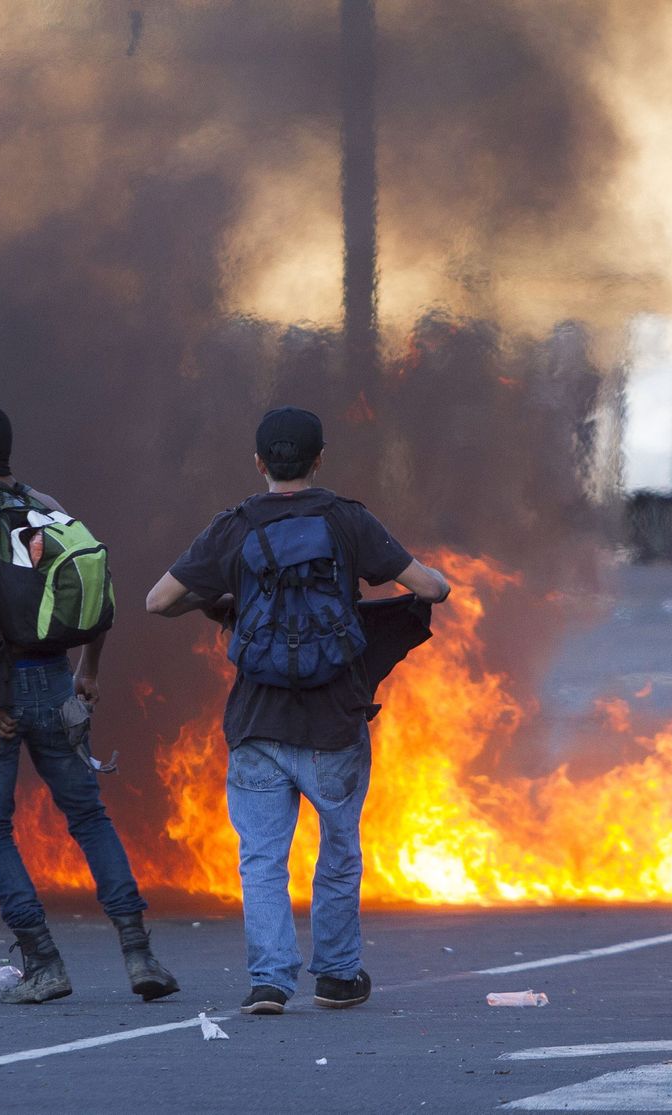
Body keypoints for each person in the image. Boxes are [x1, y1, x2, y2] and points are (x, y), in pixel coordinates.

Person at [146, 406, 448, 1014]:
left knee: (261, 860)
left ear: (259, 463)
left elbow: (158, 601)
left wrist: (229, 600)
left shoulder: (233, 528)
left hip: (258, 723)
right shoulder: (347, 521)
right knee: (338, 852)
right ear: (320, 459)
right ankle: (336, 975)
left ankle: (270, 983)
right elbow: (431, 589)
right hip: (334, 721)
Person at [0, 403, 178, 1005]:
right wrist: (88, 670)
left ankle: (44, 965)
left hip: (2, 681)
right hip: (55, 680)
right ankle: (139, 953)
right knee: (89, 818)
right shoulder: (42, 502)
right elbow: (94, 579)